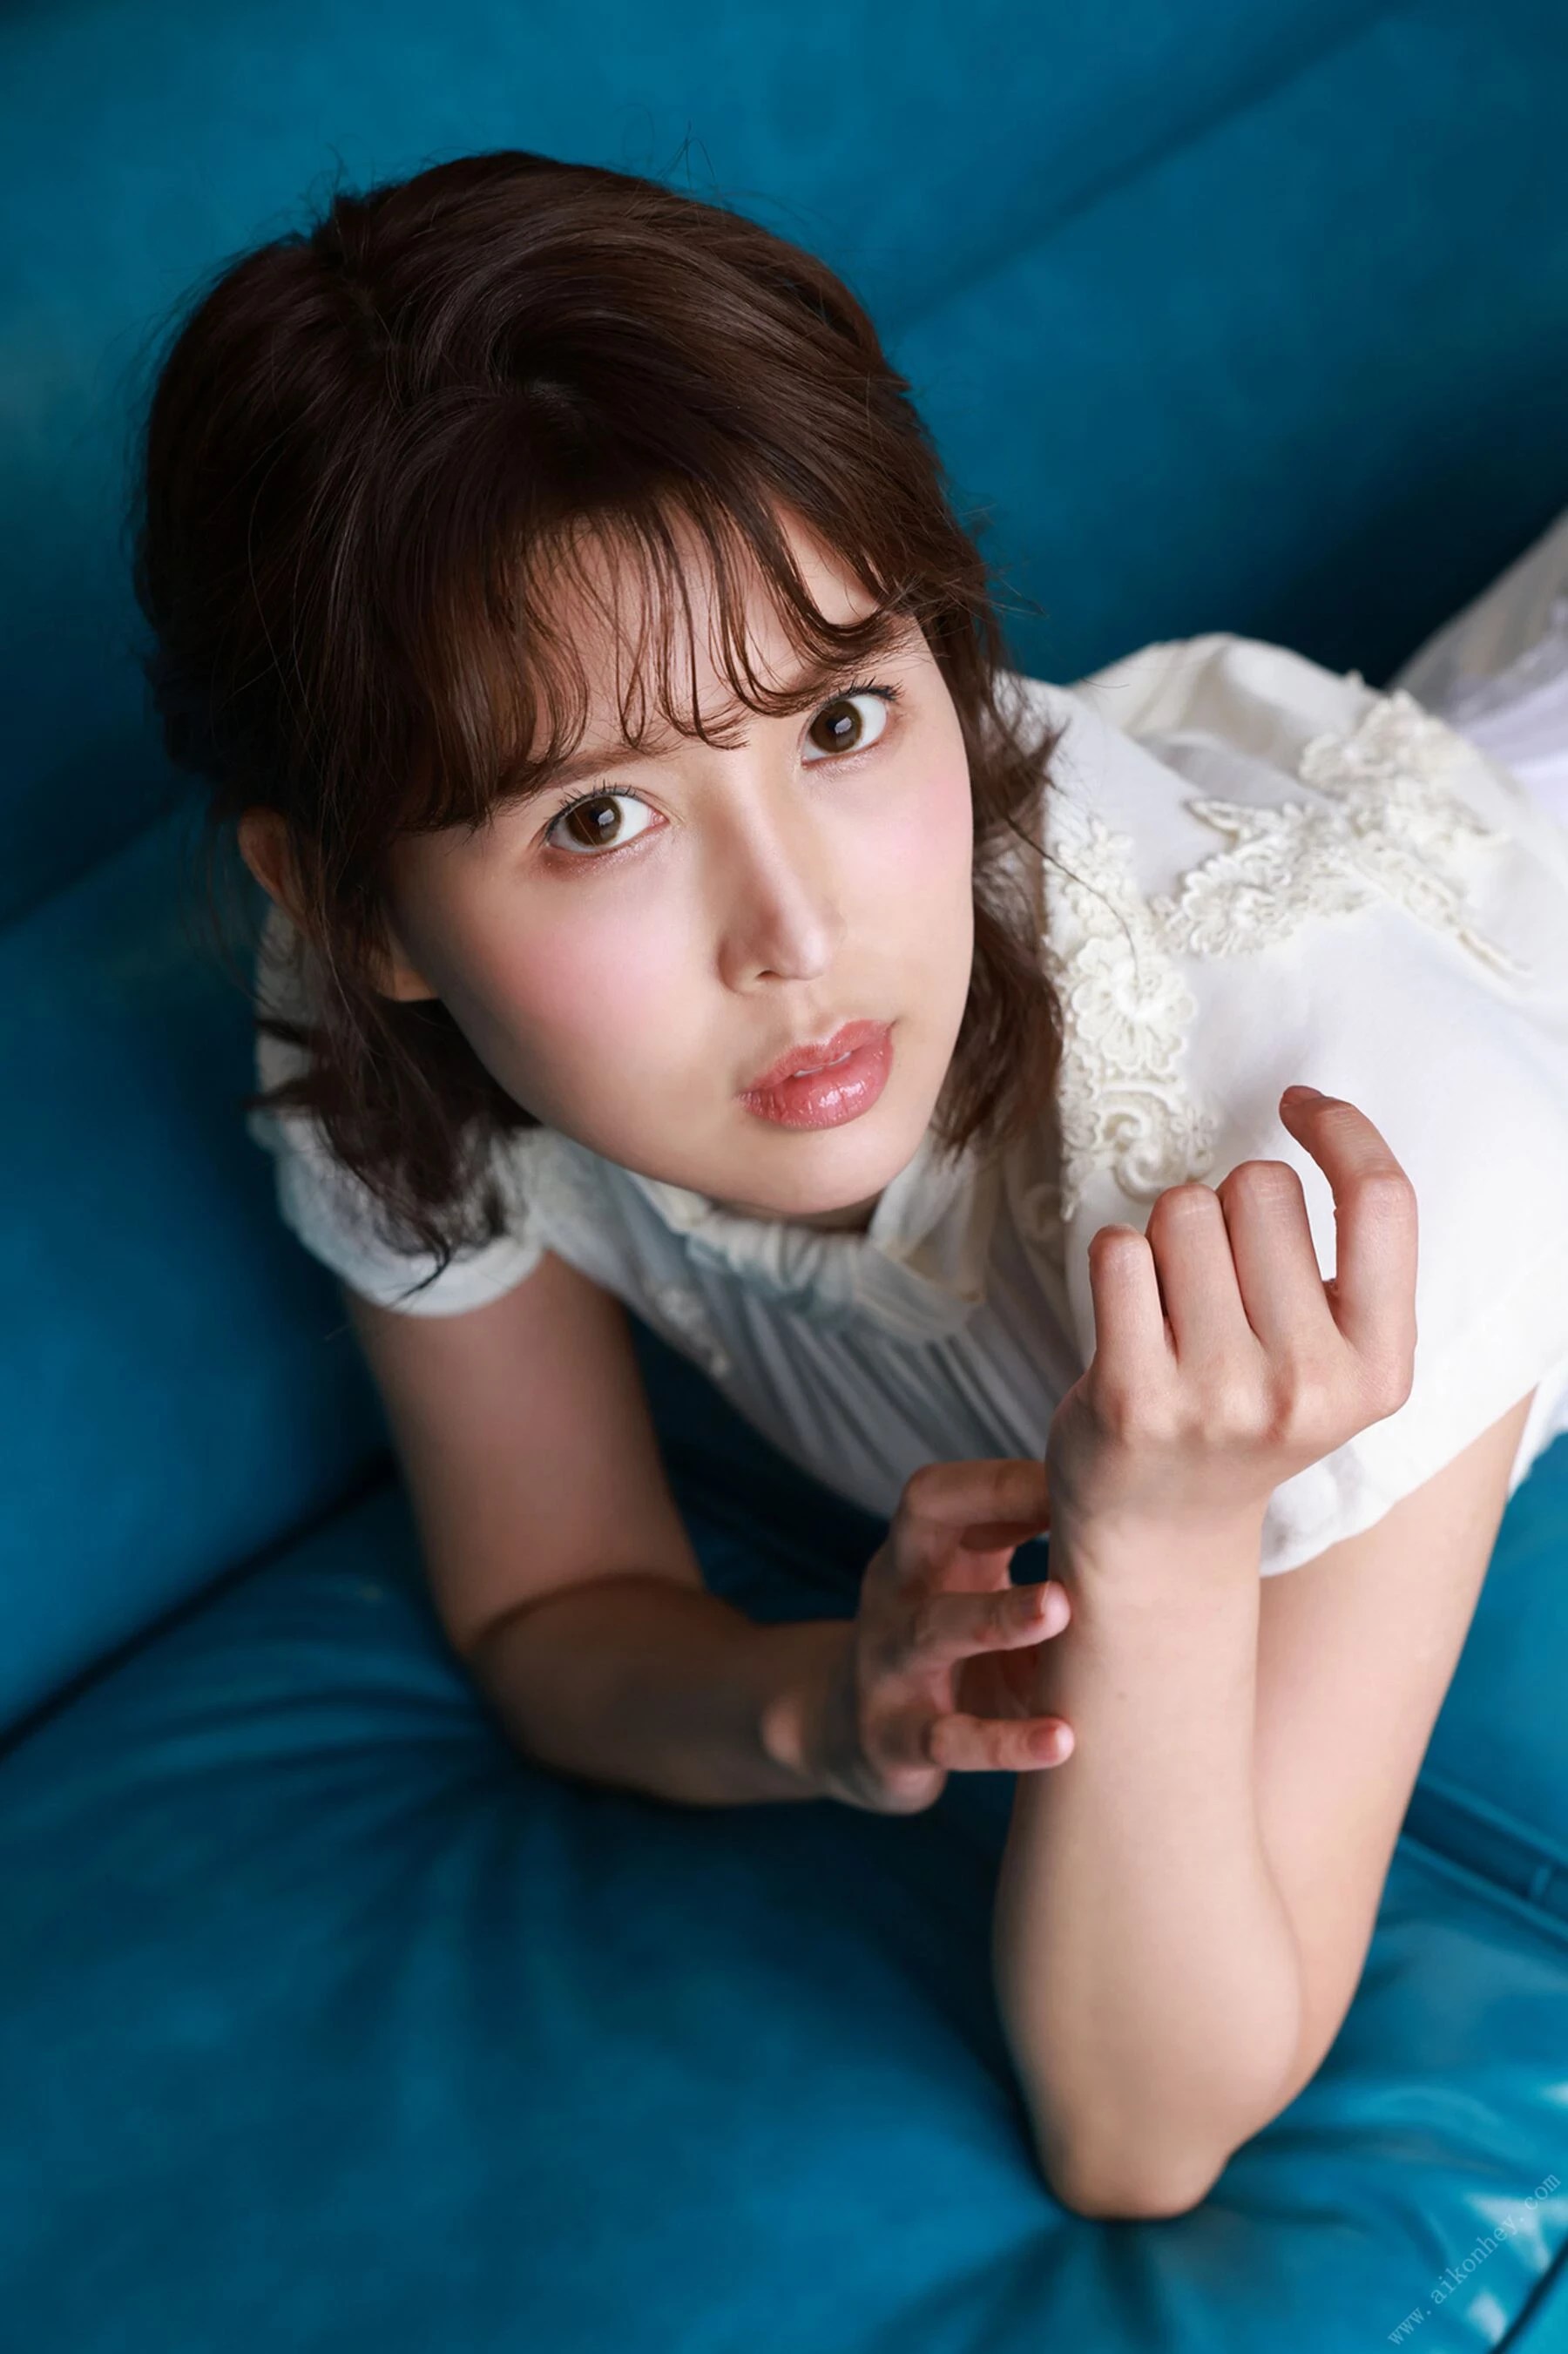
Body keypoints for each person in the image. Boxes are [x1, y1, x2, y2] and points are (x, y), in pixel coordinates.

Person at [129, 147, 1568, 2222]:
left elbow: (1143, 2130)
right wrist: (818, 1704)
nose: (796, 934)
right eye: (600, 819)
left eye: (843, 718)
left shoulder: (1330, 1153)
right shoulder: (381, 1020)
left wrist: (1159, 1552)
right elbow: (550, 1605)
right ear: (352, 905)